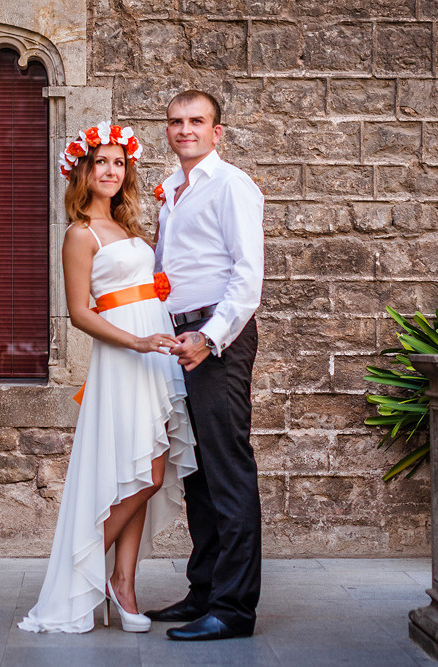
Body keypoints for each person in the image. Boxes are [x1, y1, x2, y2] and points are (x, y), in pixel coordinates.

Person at [18, 122, 197, 634]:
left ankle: (124, 584)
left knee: (140, 470)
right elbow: (79, 312)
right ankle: (82, 570)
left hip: (157, 354)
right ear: (84, 170)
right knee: (148, 474)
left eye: (119, 163)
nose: (112, 170)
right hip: (125, 356)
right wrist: (138, 341)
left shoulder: (130, 230)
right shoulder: (81, 234)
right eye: (102, 162)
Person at [145, 90, 265, 641]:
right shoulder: (170, 190)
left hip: (218, 335)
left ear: (218, 131)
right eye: (176, 122)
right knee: (195, 470)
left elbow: (247, 276)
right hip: (178, 337)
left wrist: (210, 338)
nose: (185, 129)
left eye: (197, 121)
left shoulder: (232, 185)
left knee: (227, 467)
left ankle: (234, 609)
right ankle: (204, 591)